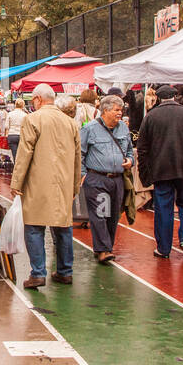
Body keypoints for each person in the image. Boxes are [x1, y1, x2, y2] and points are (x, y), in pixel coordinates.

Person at [10, 84, 83, 288]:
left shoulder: (33, 119)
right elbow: (78, 158)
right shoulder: (70, 123)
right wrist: (75, 185)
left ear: (38, 99)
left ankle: (38, 273)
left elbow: (24, 154)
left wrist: (16, 183)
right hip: (64, 184)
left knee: (34, 227)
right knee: (63, 228)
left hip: (37, 183)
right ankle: (65, 271)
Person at [138, 85, 183, 259]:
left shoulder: (150, 117)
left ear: (158, 98)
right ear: (175, 96)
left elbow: (142, 149)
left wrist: (144, 174)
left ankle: (163, 248)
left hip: (161, 170)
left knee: (164, 208)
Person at [79, 94, 134, 265]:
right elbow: (80, 153)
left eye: (121, 110)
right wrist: (82, 175)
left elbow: (130, 151)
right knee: (100, 213)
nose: (120, 113)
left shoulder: (124, 129)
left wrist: (130, 161)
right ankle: (103, 249)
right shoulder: (89, 129)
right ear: (105, 110)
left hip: (117, 179)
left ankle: (106, 247)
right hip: (97, 179)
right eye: (117, 110)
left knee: (113, 215)